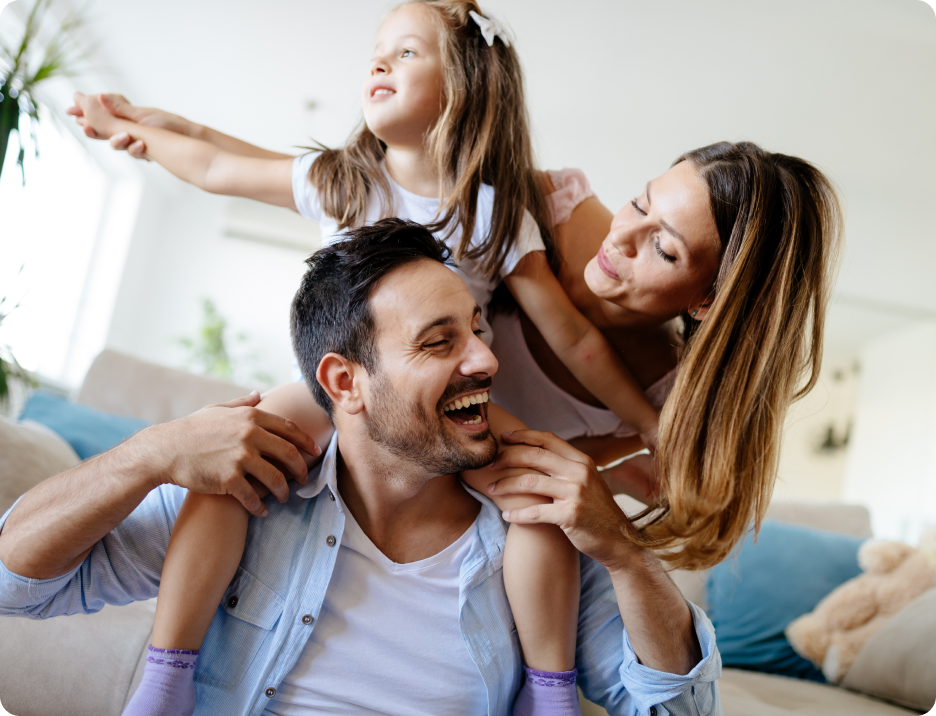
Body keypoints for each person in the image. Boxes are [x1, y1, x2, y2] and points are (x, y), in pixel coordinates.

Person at [67, 3, 661, 711]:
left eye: (407, 53)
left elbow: (574, 337)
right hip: (331, 388)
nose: (378, 63)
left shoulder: (495, 212)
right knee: (232, 464)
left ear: (465, 87)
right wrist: (136, 128)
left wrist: (651, 425)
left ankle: (550, 691)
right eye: (378, 52)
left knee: (539, 499)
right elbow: (215, 159)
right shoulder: (345, 180)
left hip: (449, 404)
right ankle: (168, 672)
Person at [0, 220, 722, 716]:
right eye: (440, 342)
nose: (486, 359)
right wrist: (151, 453)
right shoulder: (256, 498)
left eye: (476, 329)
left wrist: (626, 555)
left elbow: (678, 710)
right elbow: (14, 584)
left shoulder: (540, 532)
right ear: (345, 383)